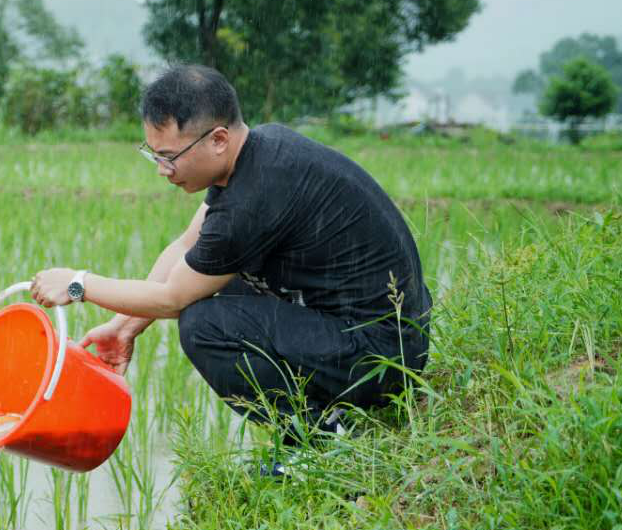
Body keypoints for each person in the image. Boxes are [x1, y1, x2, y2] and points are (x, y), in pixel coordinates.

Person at [29, 64, 430, 446]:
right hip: (376, 330)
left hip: (382, 357)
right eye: (153, 155)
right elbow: (186, 246)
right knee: (220, 284)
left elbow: (173, 298)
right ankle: (323, 420)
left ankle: (318, 438)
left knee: (204, 324)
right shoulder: (259, 151)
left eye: (168, 156)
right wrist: (124, 327)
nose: (161, 170)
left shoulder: (252, 202)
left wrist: (79, 283)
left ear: (218, 139)